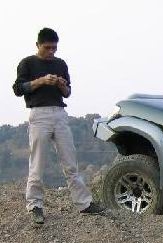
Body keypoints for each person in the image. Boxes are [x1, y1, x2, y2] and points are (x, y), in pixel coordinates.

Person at [12, 27, 104, 225]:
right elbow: (18, 89)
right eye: (47, 48)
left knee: (70, 163)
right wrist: (41, 81)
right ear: (38, 45)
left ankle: (84, 204)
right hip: (39, 114)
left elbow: (67, 92)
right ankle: (35, 205)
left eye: (54, 48)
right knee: (37, 163)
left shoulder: (60, 64)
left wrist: (61, 84)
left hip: (60, 114)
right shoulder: (27, 63)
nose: (51, 51)